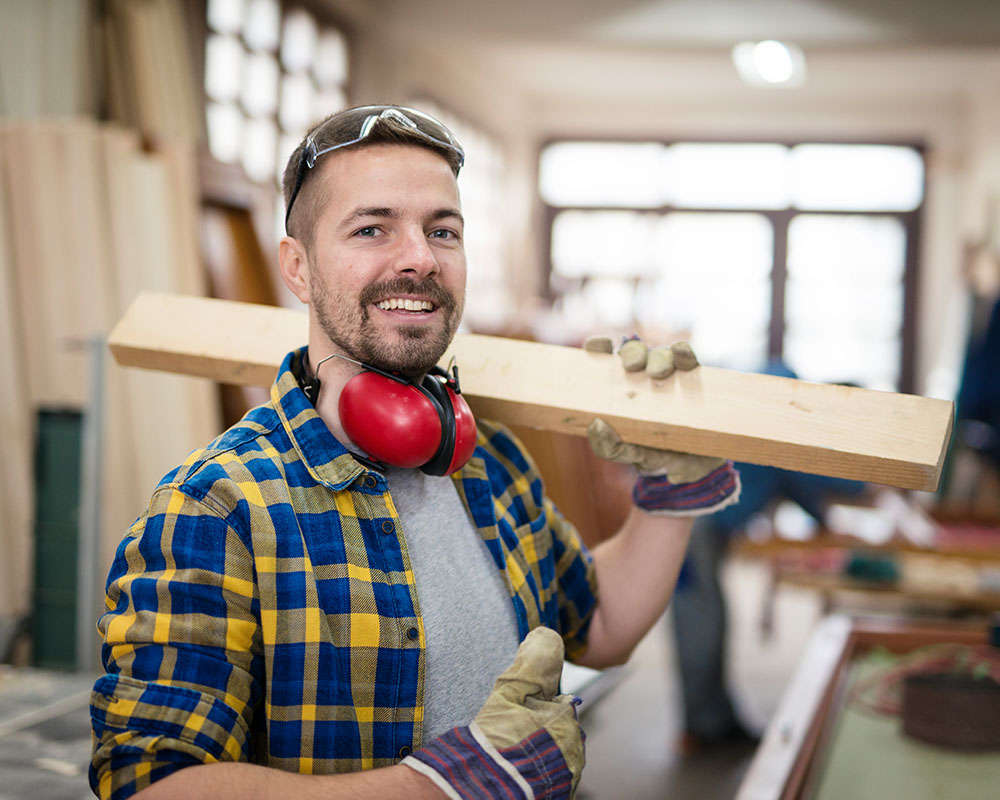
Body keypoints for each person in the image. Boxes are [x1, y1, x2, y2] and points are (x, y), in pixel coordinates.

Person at [88, 105, 741, 799]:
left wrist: (671, 495)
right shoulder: (217, 507)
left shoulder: (488, 461)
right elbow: (151, 786)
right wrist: (434, 789)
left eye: (442, 231)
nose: (420, 258)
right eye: (373, 228)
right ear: (299, 269)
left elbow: (599, 623)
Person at [669, 363, 864, 755]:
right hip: (687, 525)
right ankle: (702, 728)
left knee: (711, 621)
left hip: (695, 522)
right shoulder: (787, 406)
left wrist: (826, 514)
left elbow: (796, 480)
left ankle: (716, 720)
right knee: (701, 624)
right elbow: (816, 480)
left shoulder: (781, 393)